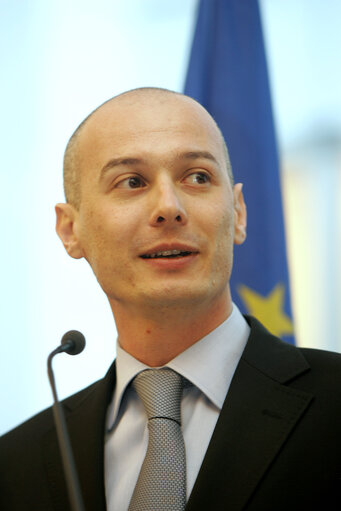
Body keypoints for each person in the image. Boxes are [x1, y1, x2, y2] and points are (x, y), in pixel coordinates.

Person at [1, 88, 340, 511]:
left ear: (237, 213)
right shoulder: (15, 466)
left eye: (197, 177)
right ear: (71, 230)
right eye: (132, 182)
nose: (169, 207)